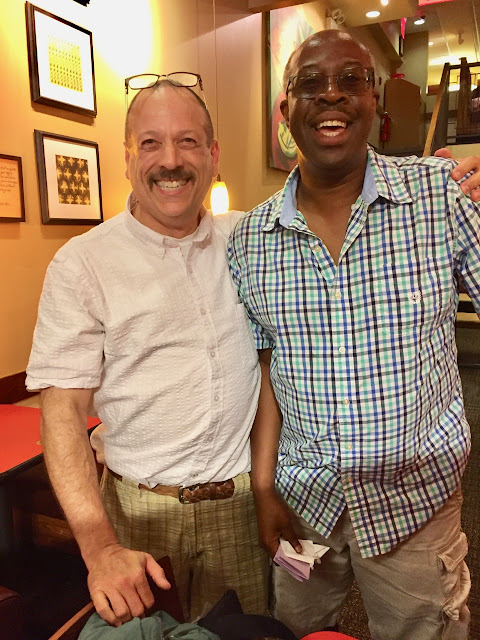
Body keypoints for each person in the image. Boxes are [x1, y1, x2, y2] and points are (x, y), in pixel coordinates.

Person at [227, 31, 480, 640]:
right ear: (285, 110)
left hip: (415, 502)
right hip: (305, 502)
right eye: (310, 84)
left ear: (374, 102)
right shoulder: (250, 240)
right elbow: (268, 367)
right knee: (294, 631)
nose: (332, 95)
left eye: (351, 80)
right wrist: (263, 486)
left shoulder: (438, 196)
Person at [26, 76, 268, 627]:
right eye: (151, 143)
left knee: (245, 633)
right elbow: (62, 410)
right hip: (137, 512)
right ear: (128, 157)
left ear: (213, 155)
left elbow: (327, 203)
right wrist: (98, 548)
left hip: (241, 508)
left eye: (188, 141)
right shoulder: (82, 263)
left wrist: (434, 178)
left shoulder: (249, 238)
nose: (171, 161)